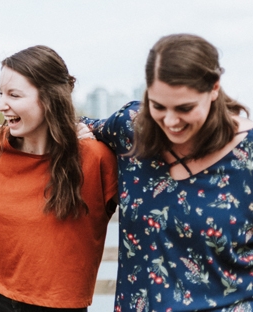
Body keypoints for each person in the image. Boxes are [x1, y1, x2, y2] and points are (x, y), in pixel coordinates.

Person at [78, 34, 253, 311]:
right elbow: (71, 127)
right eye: (158, 106)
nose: (170, 121)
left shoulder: (249, 155)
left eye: (185, 108)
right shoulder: (131, 127)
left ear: (214, 88)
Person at [0, 45, 119, 311]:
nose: (1, 105)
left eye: (14, 95)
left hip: (62, 306)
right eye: (1, 93)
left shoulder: (96, 157)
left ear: (50, 98)